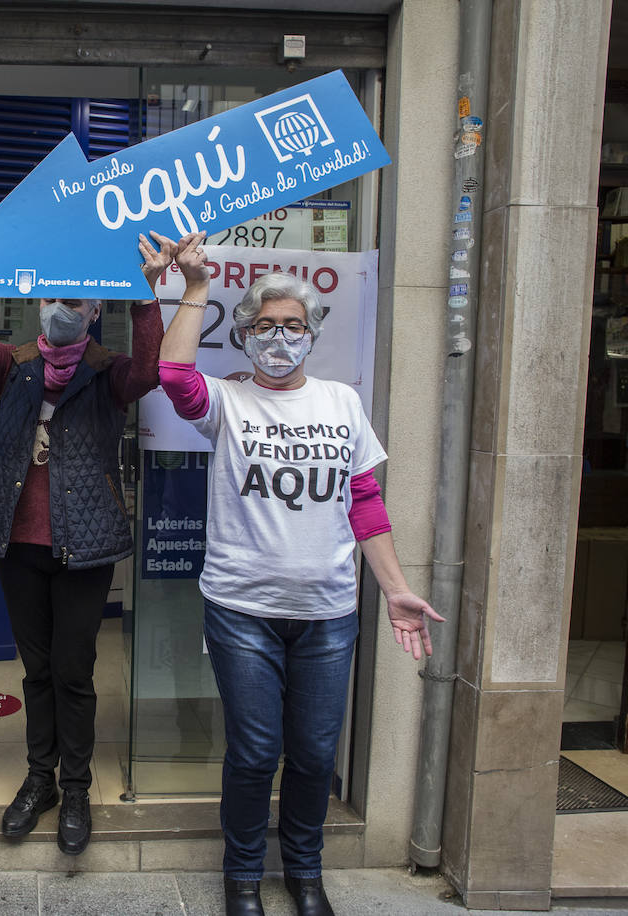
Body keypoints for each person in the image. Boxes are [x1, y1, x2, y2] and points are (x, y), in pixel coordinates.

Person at [157, 236, 443, 916]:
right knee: (256, 752)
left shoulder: (341, 403)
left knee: (315, 756)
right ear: (246, 335)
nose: (279, 337)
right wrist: (195, 289)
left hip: (329, 613)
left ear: (312, 334)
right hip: (241, 609)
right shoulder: (227, 402)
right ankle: (243, 878)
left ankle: (306, 874)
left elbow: (366, 505)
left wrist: (396, 589)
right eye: (264, 326)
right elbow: (173, 379)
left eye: (292, 326)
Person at [0, 215, 181, 854]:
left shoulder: (110, 372)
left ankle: (75, 787)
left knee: (74, 670)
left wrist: (147, 295)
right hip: (19, 545)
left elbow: (151, 372)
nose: (57, 310)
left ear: (94, 311)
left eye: (72, 301)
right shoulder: (12, 366)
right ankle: (38, 779)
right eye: (49, 298)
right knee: (36, 669)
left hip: (85, 548)